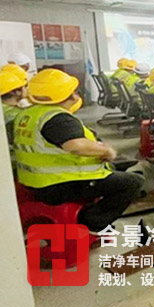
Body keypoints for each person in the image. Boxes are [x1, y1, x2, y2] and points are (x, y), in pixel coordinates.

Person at [13, 69, 143, 233]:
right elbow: (76, 146)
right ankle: (94, 222)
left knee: (117, 168)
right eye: (73, 92)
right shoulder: (58, 118)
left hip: (35, 181)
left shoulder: (29, 115)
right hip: (58, 185)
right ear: (70, 95)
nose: (76, 95)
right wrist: (106, 151)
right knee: (133, 182)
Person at [1, 70, 27, 142]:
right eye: (24, 86)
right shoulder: (15, 115)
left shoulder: (4, 109)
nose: (26, 89)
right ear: (15, 92)